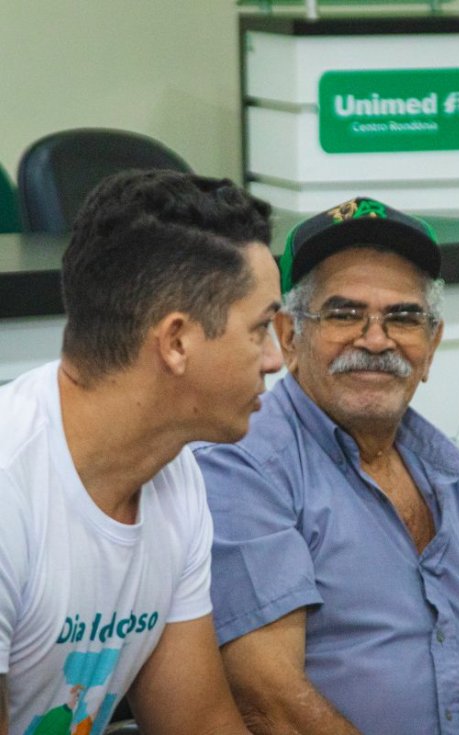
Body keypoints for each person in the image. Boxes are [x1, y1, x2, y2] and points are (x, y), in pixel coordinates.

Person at [194, 196, 459, 735]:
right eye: (344, 314)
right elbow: (269, 701)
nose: (375, 340)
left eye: (403, 317)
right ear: (288, 336)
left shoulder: (455, 474)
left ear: (432, 343)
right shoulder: (245, 467)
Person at [0, 169, 284, 735]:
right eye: (261, 329)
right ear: (176, 342)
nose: (276, 358)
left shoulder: (173, 475)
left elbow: (199, 722)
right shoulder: (10, 487)